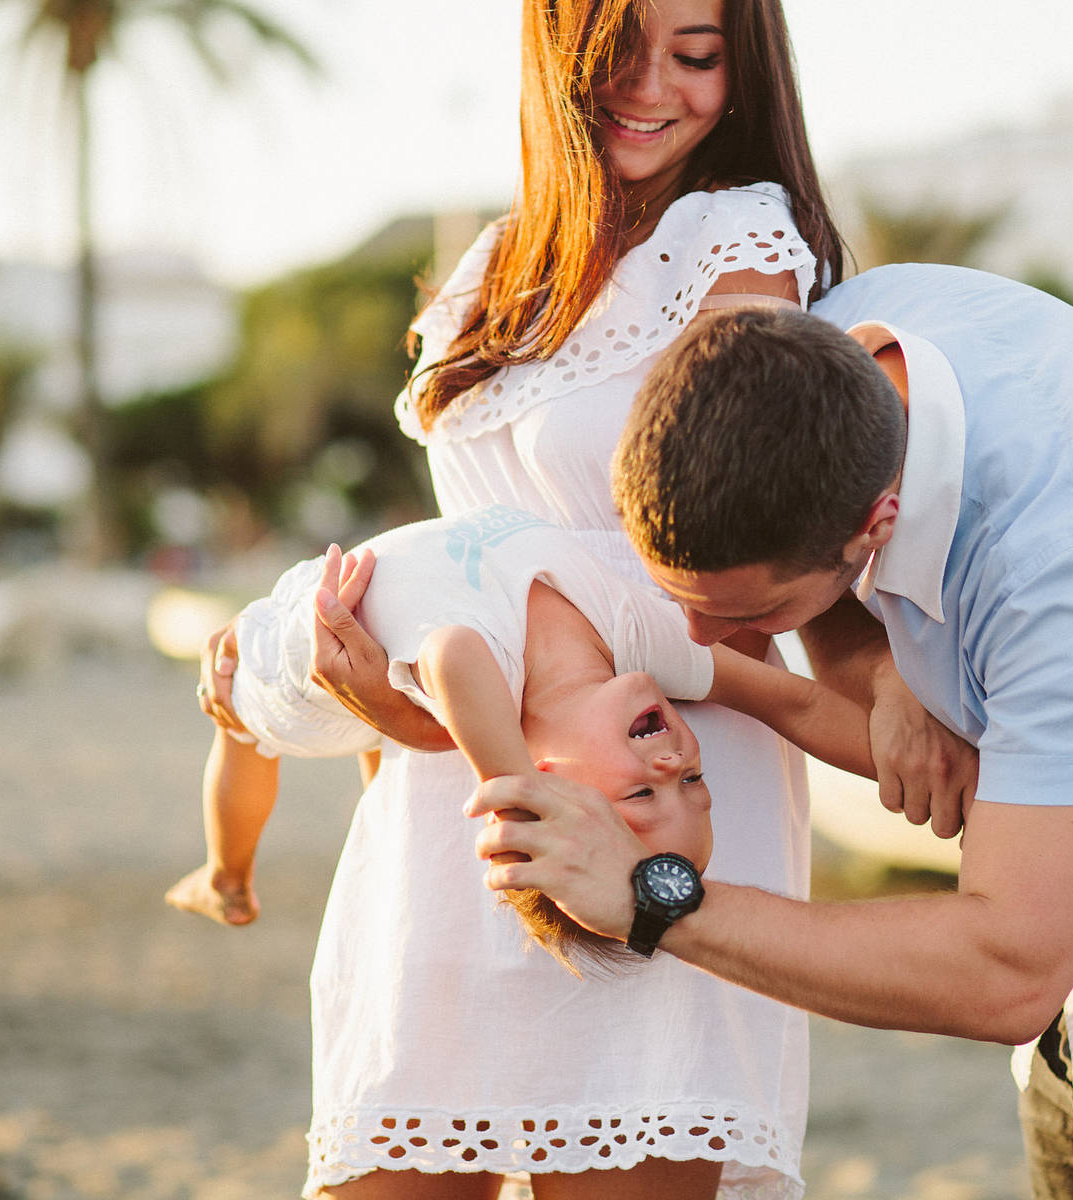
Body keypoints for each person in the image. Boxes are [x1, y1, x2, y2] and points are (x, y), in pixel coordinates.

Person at [199, 2, 972, 1196]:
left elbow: (771, 506)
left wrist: (891, 686)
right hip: (453, 792)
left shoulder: (734, 238)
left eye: (698, 55)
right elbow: (454, 561)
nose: (652, 86)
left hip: (665, 771)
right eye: (617, 51)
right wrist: (370, 709)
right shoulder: (489, 275)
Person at [469, 274, 1073, 1200]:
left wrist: (653, 902)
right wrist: (881, 668)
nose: (702, 639)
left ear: (875, 522)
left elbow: (1007, 966)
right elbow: (820, 584)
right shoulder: (830, 349)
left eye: (746, 611)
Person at [167, 508, 872, 975]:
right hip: (364, 622)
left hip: (295, 661)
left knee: (239, 733)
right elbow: (796, 701)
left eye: (641, 791)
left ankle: (226, 875)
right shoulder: (637, 636)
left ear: (544, 780)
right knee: (390, 740)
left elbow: (449, 655)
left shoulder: (490, 677)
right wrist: (953, 778)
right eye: (693, 783)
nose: (676, 759)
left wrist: (516, 803)